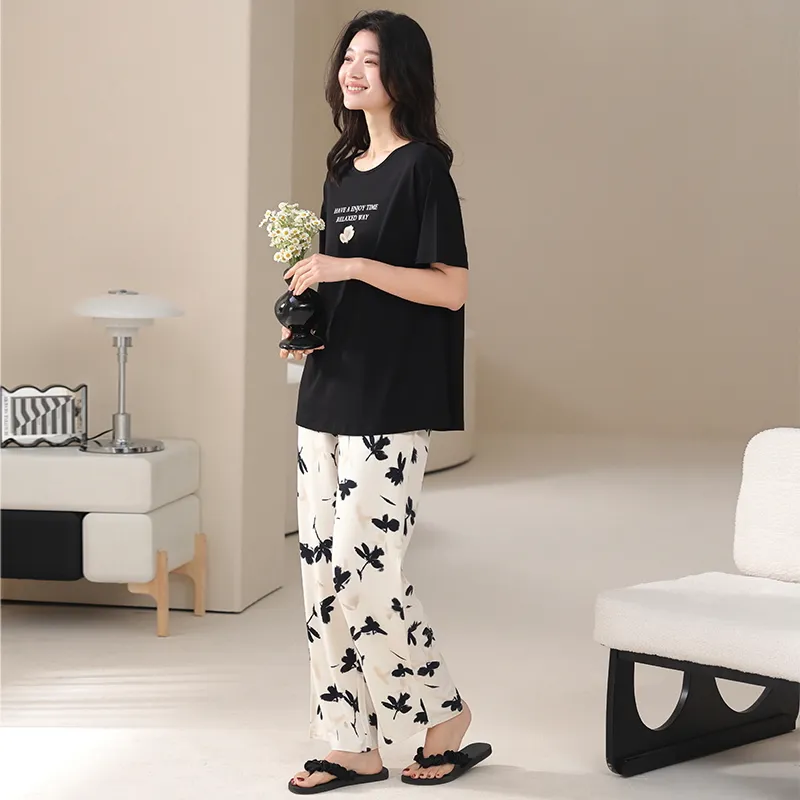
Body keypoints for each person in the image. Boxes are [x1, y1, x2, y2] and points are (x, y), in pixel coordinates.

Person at [281, 9, 491, 794]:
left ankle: (443, 713)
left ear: (402, 74)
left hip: (393, 398)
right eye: (348, 57)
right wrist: (305, 324)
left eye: (369, 59)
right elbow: (339, 286)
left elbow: (451, 288)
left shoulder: (423, 169)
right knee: (319, 574)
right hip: (327, 390)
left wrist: (352, 268)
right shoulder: (342, 170)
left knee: (362, 569)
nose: (352, 70)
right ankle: (349, 743)